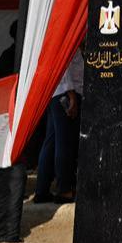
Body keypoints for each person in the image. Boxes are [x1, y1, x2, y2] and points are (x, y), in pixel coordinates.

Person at [34, 48, 83, 204]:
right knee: (64, 143)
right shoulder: (69, 40)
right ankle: (64, 190)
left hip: (56, 93)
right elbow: (64, 68)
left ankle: (42, 190)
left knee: (51, 142)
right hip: (65, 93)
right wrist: (71, 95)